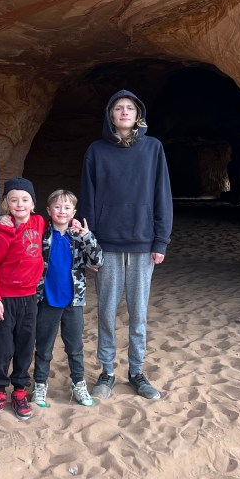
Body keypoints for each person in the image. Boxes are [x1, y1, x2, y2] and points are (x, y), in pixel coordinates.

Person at [80, 90, 172, 401]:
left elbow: (162, 195)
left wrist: (161, 240)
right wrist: (90, 245)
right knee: (106, 311)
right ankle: (107, 372)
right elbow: (88, 199)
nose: (124, 112)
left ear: (138, 114)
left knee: (138, 313)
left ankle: (136, 372)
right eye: (118, 107)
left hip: (143, 244)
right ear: (110, 114)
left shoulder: (153, 148)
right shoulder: (96, 150)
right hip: (106, 244)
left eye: (129, 108)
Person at [0, 177, 46, 421]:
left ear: (33, 203)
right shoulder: (1, 233)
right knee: (1, 347)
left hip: (29, 299)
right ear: (6, 204)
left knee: (25, 346)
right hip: (5, 299)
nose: (20, 204)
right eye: (14, 200)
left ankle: (19, 392)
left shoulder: (39, 222)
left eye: (25, 200)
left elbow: (60, 219)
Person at [30, 190, 104, 409]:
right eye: (57, 207)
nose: (62, 211)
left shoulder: (79, 237)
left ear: (74, 212)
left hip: (74, 302)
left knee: (75, 347)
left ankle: (78, 383)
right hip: (47, 300)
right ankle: (40, 384)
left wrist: (87, 236)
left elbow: (98, 261)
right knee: (44, 347)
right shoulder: (42, 234)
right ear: (48, 210)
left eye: (67, 207)